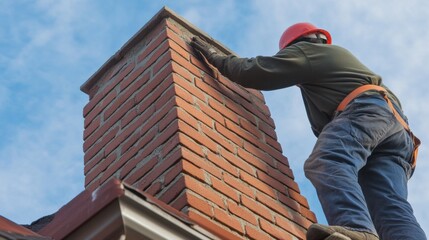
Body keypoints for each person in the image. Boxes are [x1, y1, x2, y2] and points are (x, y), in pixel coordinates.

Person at [190, 23, 426, 240]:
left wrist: (219, 59)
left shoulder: (309, 52)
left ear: (298, 45)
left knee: (328, 160)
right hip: (397, 134)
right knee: (388, 204)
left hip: (368, 112)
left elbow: (257, 71)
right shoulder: (334, 69)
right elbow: (324, 127)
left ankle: (357, 228)